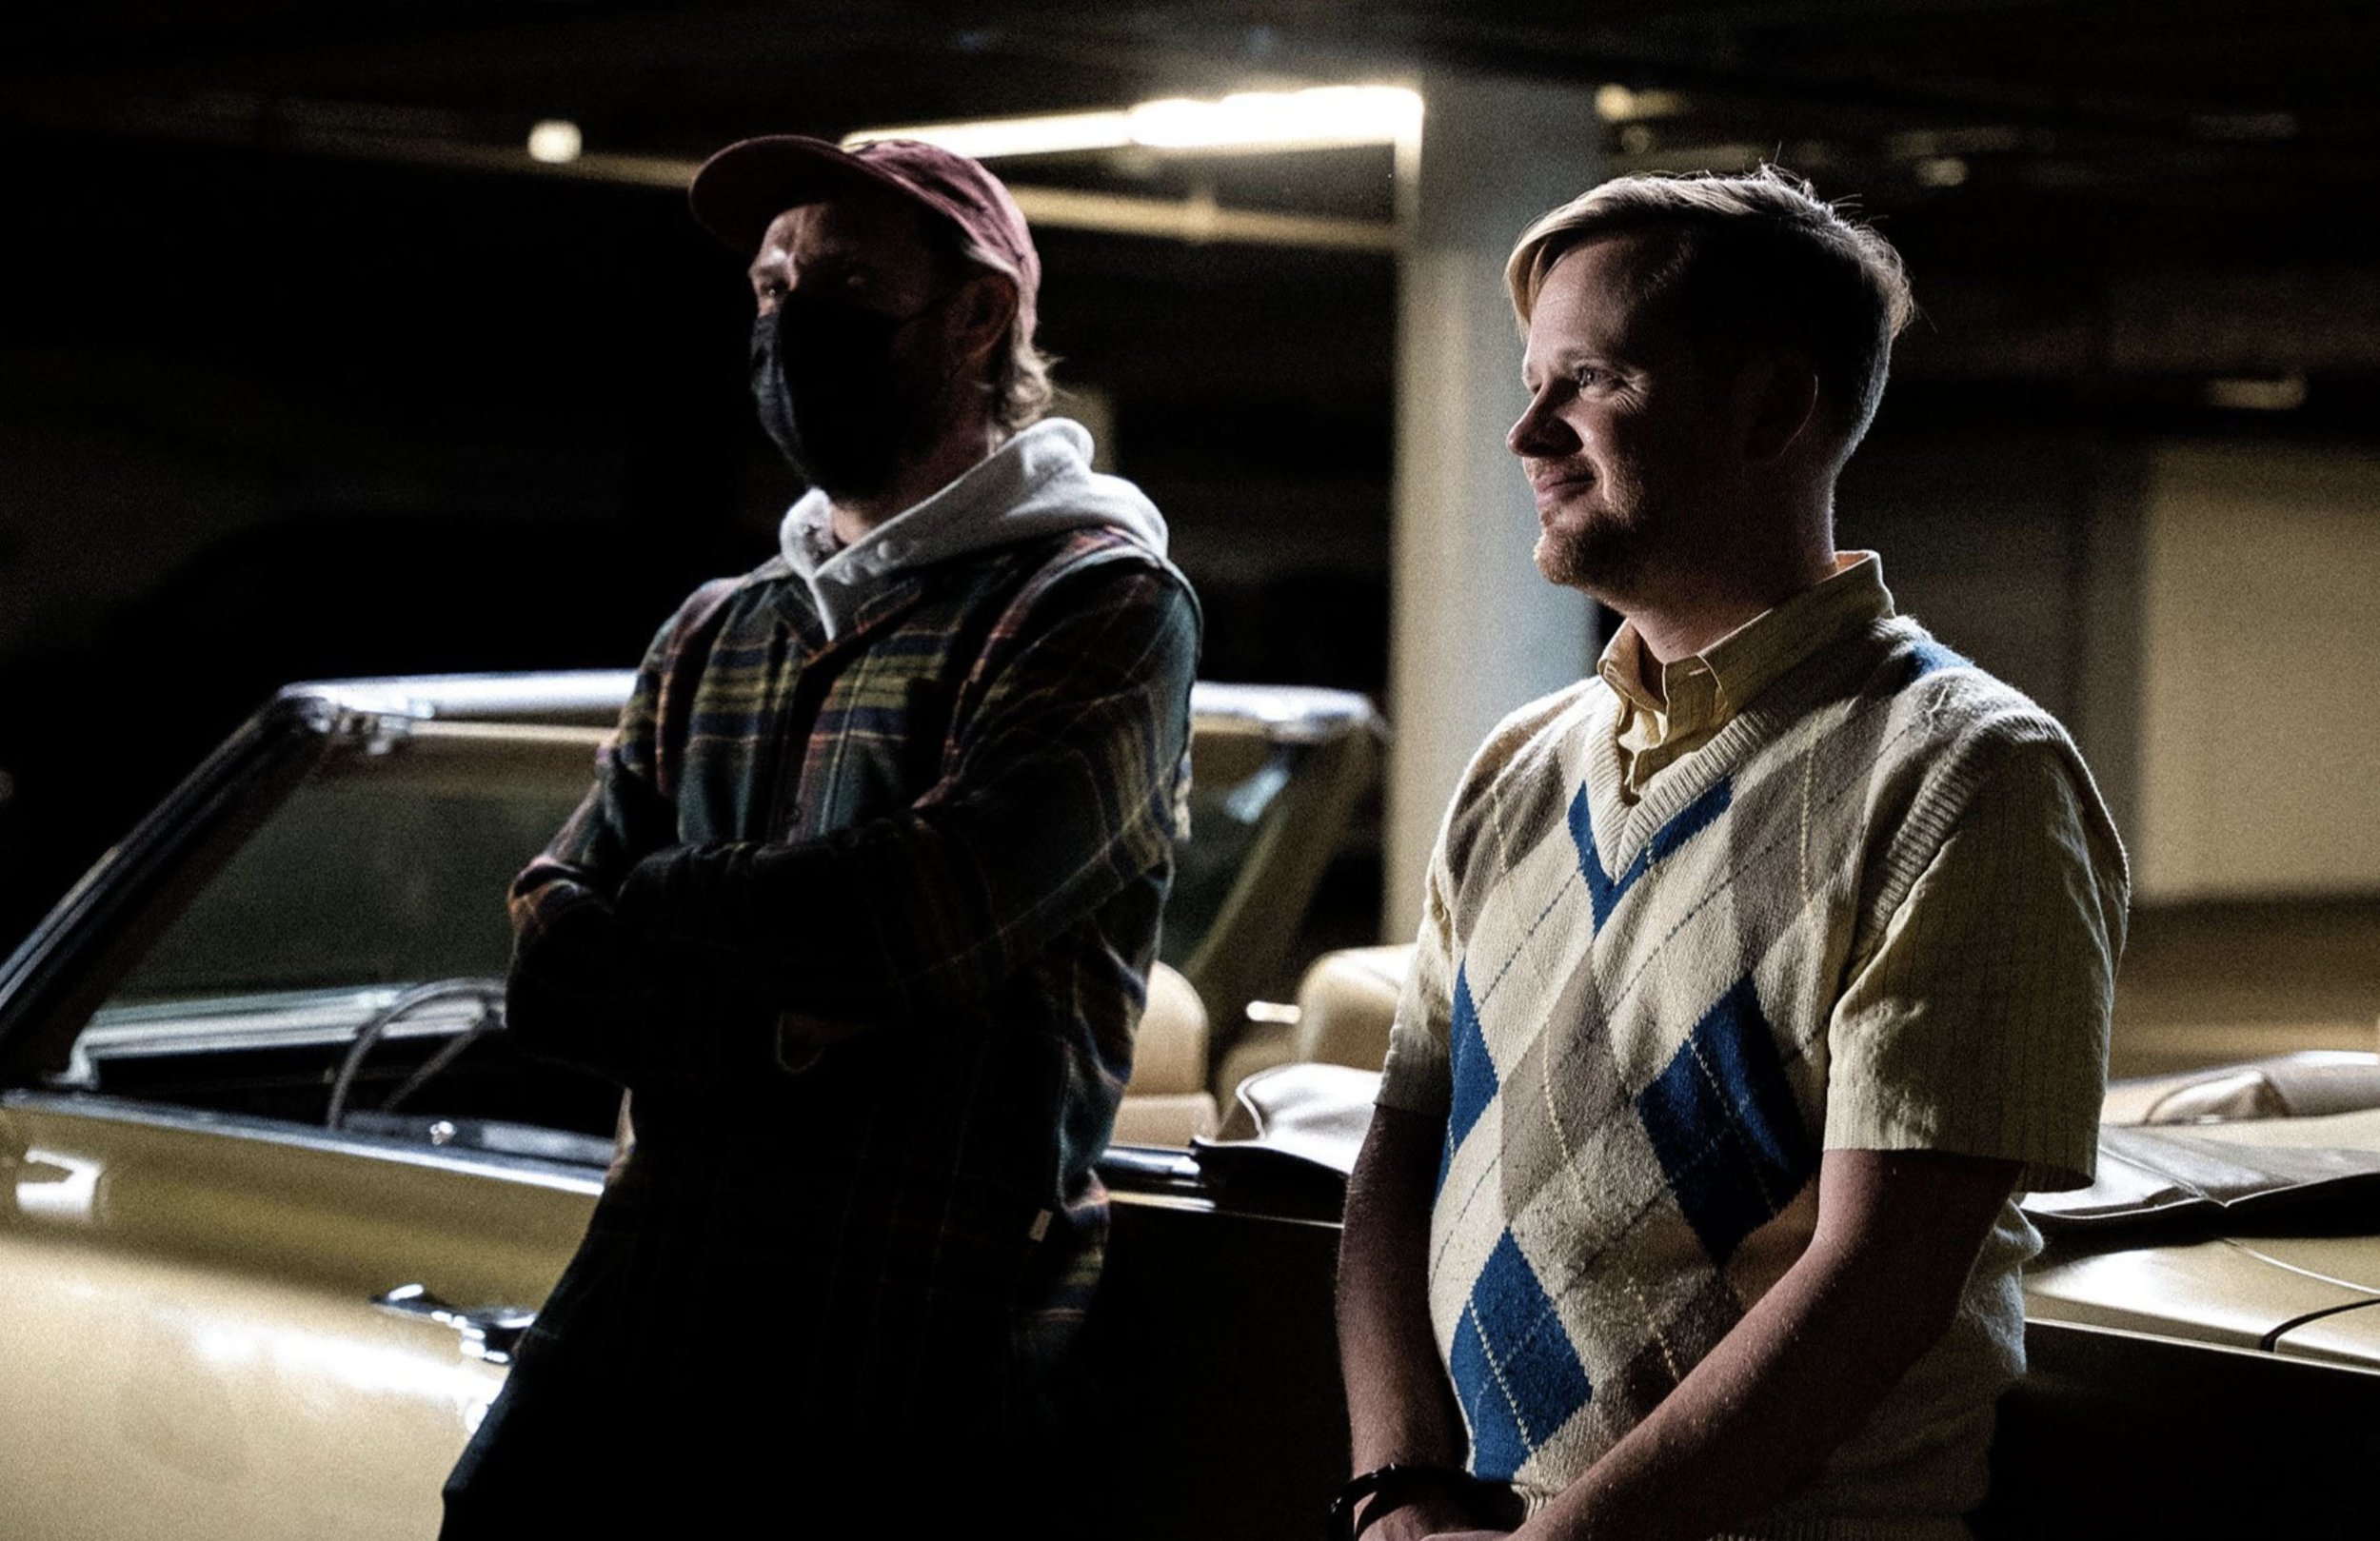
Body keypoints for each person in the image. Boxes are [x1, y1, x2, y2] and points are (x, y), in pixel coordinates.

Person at [1335, 168, 2129, 1541]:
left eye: (1589, 381)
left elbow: (1878, 1287)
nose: (1527, 431)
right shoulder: (1517, 765)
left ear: (1773, 406)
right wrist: (1397, 1488)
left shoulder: (1967, 775)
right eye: (1533, 382)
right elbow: (1400, 1153)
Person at [440, 135, 1199, 1534]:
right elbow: (549, 962)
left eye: (842, 281)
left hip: (913, 1340)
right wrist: (793, 1020)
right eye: (772, 282)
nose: (789, 318)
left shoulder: (1099, 603)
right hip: (647, 1302)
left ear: (978, 319)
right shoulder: (716, 625)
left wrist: (662, 912)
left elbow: (914, 924)